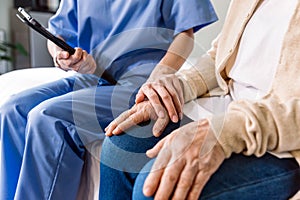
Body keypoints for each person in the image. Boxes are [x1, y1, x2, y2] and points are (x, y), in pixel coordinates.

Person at [0, 0, 218, 199]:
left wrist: (159, 76)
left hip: (140, 79)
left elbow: (186, 35)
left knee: (47, 117)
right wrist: (62, 55)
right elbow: (59, 34)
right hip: (90, 76)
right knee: (12, 109)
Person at [100, 0, 300, 199]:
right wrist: (179, 86)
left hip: (282, 142)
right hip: (227, 104)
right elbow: (220, 53)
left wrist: (227, 131)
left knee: (155, 188)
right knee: (119, 148)